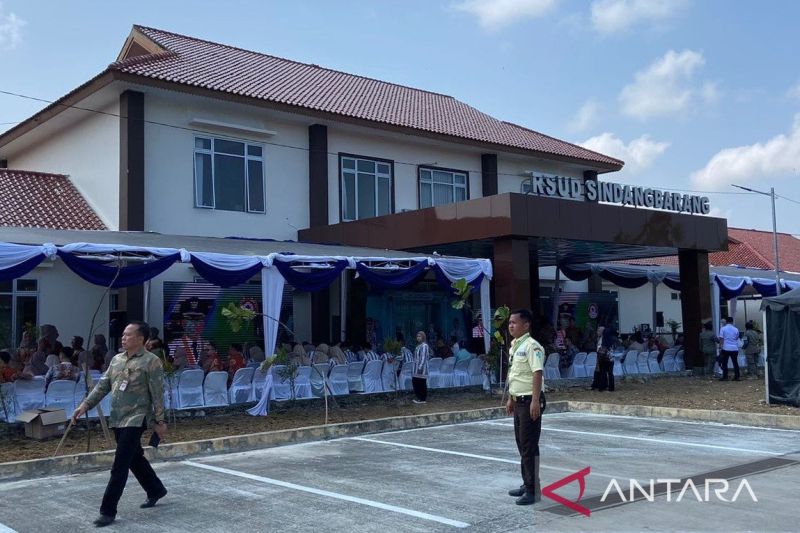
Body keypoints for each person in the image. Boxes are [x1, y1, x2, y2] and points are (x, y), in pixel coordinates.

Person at [71, 321, 168, 528]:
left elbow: (158, 394)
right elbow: (102, 386)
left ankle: (108, 510)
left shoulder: (151, 362)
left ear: (141, 339)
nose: (123, 338)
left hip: (137, 418)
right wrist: (84, 406)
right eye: (123, 335)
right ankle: (155, 489)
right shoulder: (116, 360)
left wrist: (159, 421)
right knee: (134, 458)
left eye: (128, 335)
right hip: (117, 418)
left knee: (120, 463)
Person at [505, 309, 546, 506]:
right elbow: (515, 374)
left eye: (514, 322)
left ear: (526, 325)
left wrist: (535, 401)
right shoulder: (515, 345)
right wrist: (511, 398)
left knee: (529, 446)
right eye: (509, 323)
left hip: (530, 400)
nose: (511, 325)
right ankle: (526, 482)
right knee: (522, 445)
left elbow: (537, 372)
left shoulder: (532, 346)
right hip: (519, 400)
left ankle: (533, 490)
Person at [593, 326, 616, 392]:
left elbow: (600, 349)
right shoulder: (612, 340)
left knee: (603, 373)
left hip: (603, 359)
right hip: (611, 359)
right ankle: (611, 388)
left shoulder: (603, 340)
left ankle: (602, 387)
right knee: (611, 374)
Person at [718, 317, 741, 381]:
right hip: (734, 348)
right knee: (735, 363)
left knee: (725, 363)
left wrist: (720, 347)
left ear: (726, 321)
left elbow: (721, 339)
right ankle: (737, 376)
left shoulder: (723, 329)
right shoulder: (736, 329)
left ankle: (725, 377)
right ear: (732, 321)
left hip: (726, 348)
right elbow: (736, 338)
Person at [411, 331, 430, 404]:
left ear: (423, 337)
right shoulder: (418, 346)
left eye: (420, 336)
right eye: (417, 336)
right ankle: (419, 397)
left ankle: (422, 399)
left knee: (421, 383)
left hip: (421, 369)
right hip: (416, 368)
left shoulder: (424, 346)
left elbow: (423, 357)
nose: (418, 338)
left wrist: (420, 367)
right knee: (416, 382)